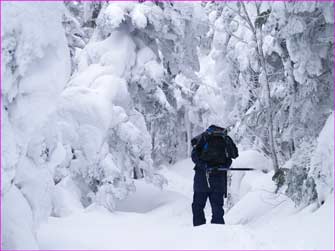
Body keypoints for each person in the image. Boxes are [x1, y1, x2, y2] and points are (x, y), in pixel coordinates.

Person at [191, 125, 238, 226]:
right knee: (217, 208)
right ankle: (218, 232)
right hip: (219, 178)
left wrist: (204, 166)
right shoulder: (224, 139)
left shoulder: (203, 137)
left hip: (201, 178)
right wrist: (223, 166)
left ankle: (198, 230)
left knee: (198, 206)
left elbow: (194, 156)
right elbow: (233, 156)